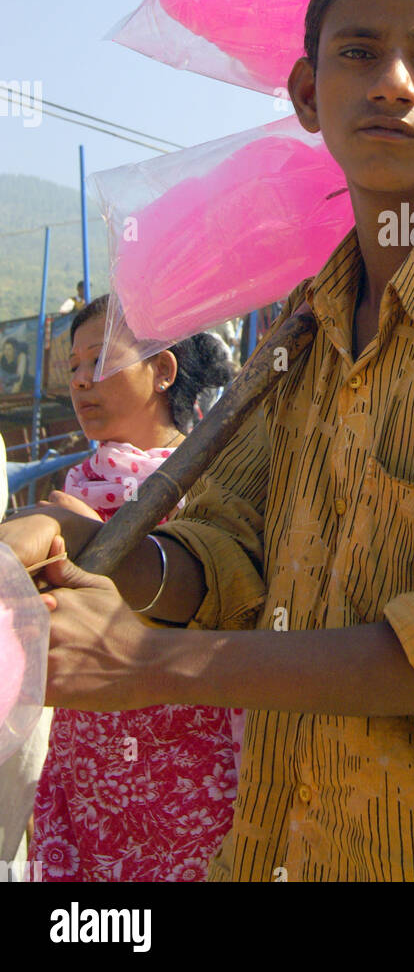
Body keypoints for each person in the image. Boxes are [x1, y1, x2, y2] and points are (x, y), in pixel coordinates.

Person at [4, 0, 414, 882]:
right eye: (357, 53)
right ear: (307, 95)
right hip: (297, 840)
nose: (391, 82)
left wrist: (147, 664)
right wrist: (112, 557)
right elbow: (232, 555)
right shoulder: (305, 325)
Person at [25, 295, 241, 882]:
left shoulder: (215, 484)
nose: (78, 382)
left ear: (162, 369)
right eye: (71, 367)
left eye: (97, 361)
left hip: (188, 753)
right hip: (86, 745)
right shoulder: (75, 486)